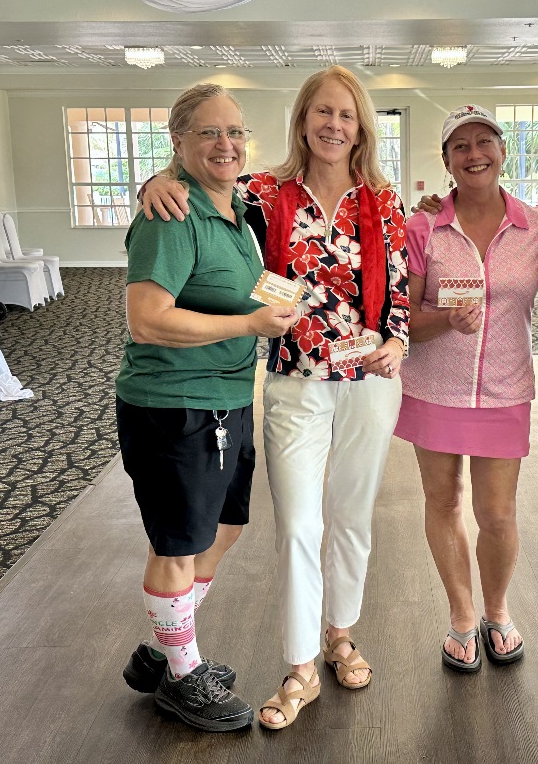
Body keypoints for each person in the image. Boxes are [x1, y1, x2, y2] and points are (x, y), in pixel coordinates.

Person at [141, 66, 408, 729]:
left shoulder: (384, 200)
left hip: (370, 382)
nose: (333, 125)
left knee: (351, 516)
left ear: (361, 128)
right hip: (294, 380)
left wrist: (398, 341)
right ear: (302, 120)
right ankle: (299, 667)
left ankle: (340, 634)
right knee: (297, 525)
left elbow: (399, 290)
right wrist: (155, 180)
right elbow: (201, 189)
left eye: (345, 115)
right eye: (322, 112)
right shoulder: (263, 193)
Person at [115, 83, 297, 732]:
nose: (227, 144)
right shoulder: (171, 214)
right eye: (209, 132)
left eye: (235, 131)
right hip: (173, 404)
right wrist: (249, 325)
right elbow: (147, 319)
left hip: (227, 398)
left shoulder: (241, 207)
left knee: (224, 527)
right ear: (179, 141)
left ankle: (168, 648)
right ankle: (182, 675)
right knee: (178, 544)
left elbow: (252, 285)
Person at [395, 105, 538, 672]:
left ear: (503, 151)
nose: (474, 153)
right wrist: (444, 319)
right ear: (446, 160)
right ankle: (461, 615)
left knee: (497, 514)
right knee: (443, 502)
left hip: (505, 388)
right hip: (433, 387)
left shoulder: (536, 226)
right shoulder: (423, 228)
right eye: (460, 145)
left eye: (485, 141)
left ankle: (497, 612)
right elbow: (402, 319)